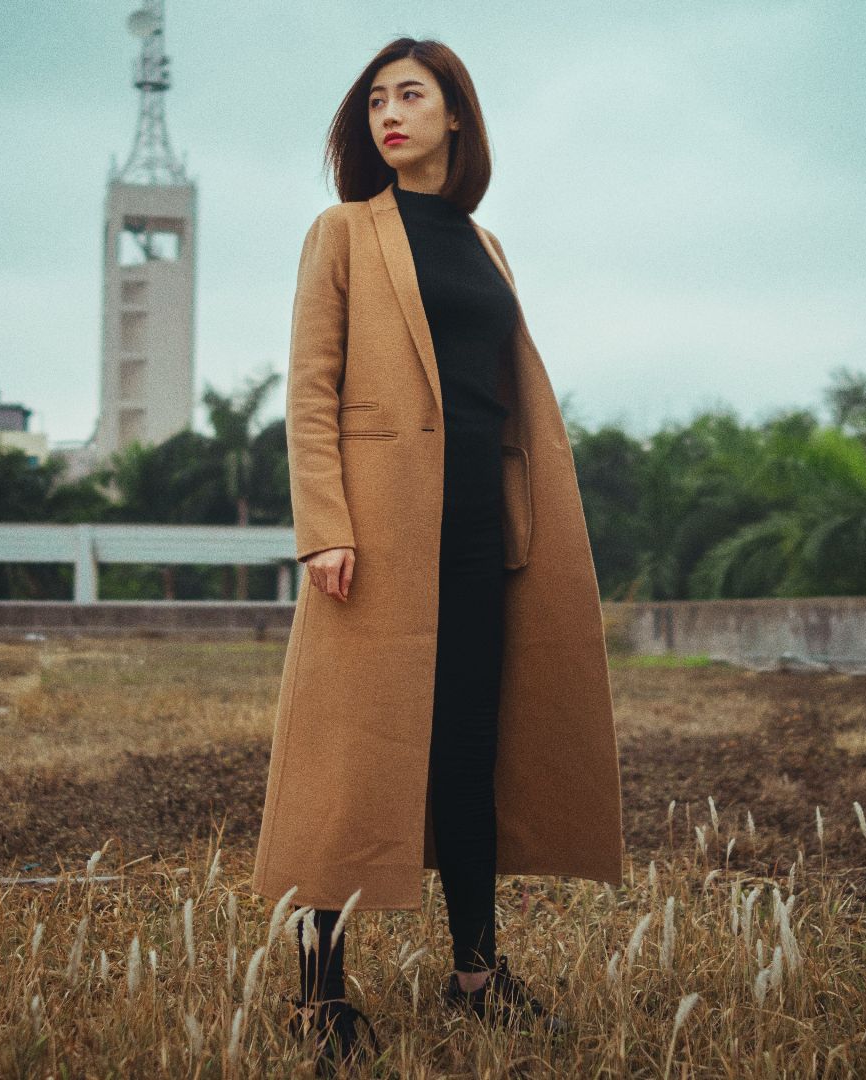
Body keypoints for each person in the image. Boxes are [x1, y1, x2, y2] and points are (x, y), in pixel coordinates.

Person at [253, 36, 626, 1073]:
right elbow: (309, 388)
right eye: (376, 99)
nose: (390, 113)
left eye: (410, 95)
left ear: (454, 115)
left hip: (477, 534)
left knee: (467, 751)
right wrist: (324, 524)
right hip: (372, 539)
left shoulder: (483, 243)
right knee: (348, 758)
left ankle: (474, 974)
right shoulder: (343, 232)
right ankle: (319, 994)